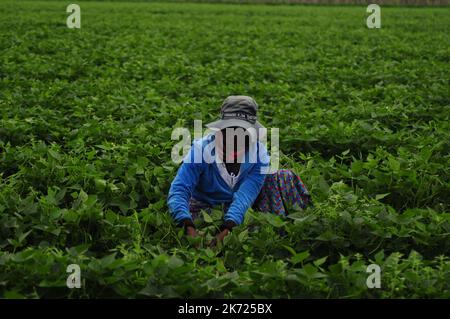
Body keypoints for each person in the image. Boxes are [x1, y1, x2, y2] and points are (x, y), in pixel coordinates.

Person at [168, 96, 312, 245]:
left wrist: (228, 228)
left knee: (283, 176)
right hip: (204, 206)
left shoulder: (259, 154)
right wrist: (188, 227)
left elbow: (246, 196)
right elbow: (179, 190)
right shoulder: (201, 150)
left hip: (240, 205)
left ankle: (289, 231)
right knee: (197, 220)